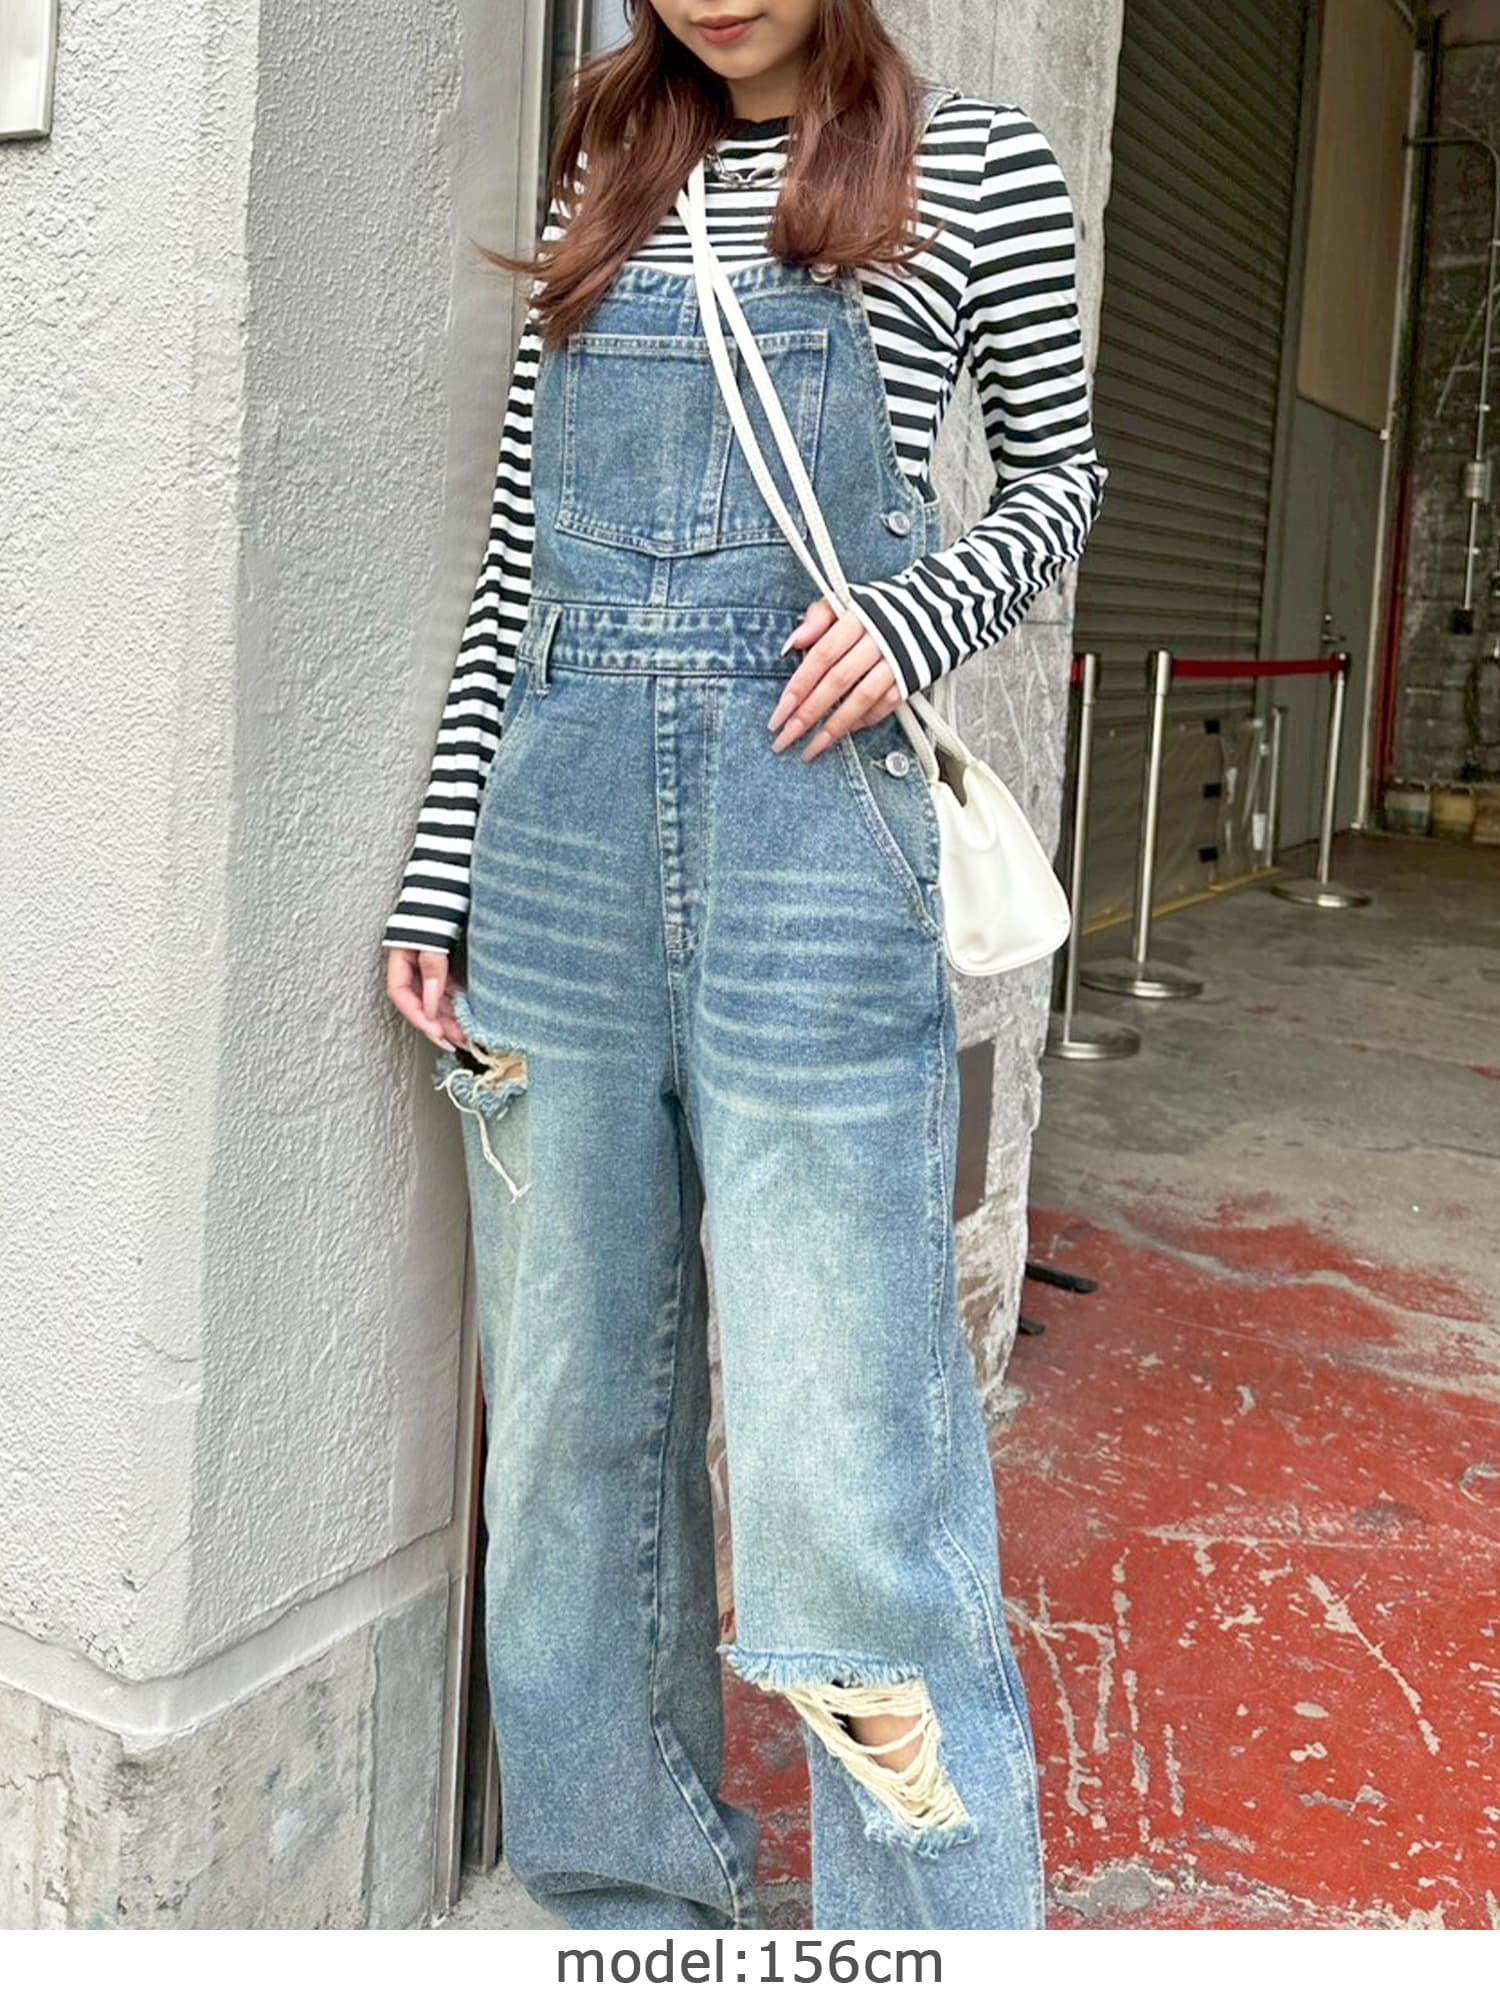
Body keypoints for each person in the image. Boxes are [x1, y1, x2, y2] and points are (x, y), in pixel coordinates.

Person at [383, 0, 1107, 1933]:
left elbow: (1060, 480)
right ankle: (630, 1898)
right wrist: (442, 869)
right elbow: (519, 564)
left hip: (811, 834)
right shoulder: (602, 167)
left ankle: (927, 1935)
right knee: (567, 1414)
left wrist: (915, 614)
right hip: (557, 850)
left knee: (845, 1433)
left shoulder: (978, 167)